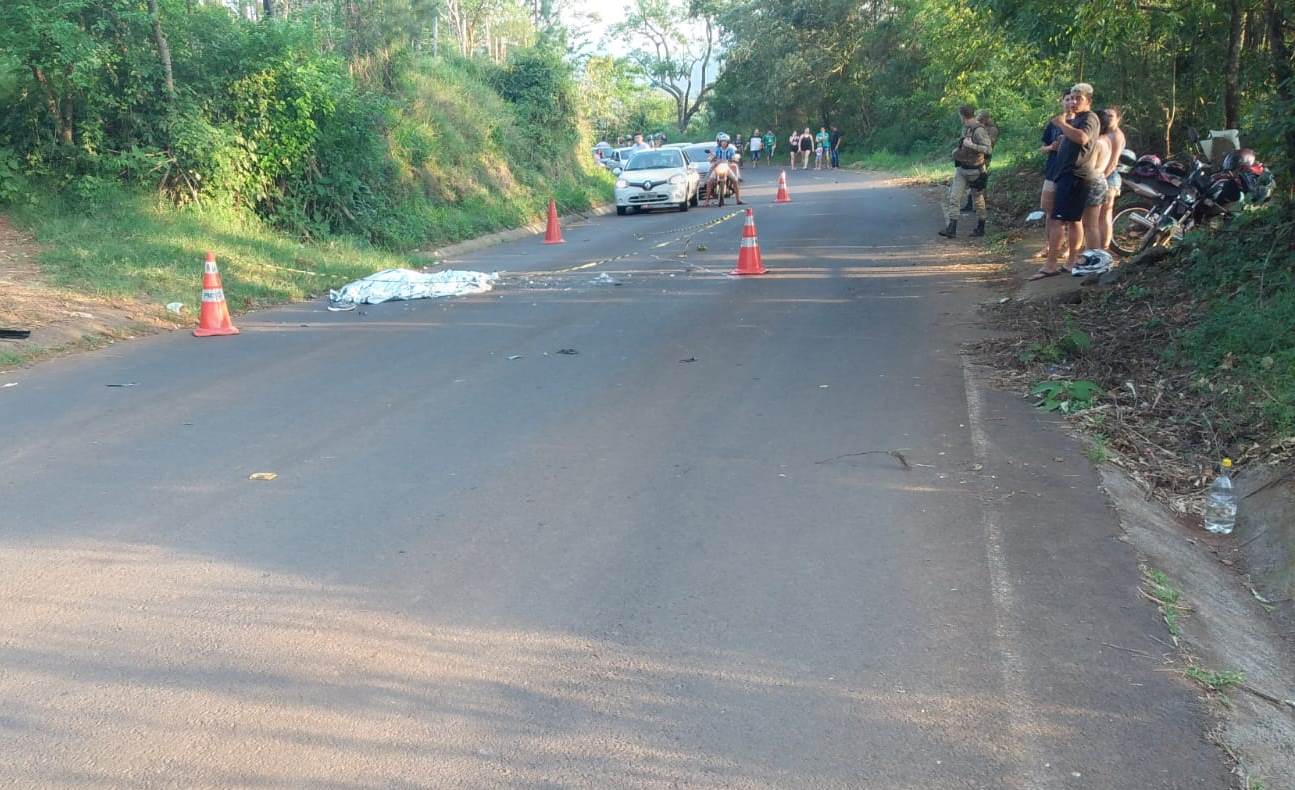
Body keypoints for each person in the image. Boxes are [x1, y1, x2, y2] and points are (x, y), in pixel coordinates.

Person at [1036, 83, 1102, 280]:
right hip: (1065, 174)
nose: (1073, 102)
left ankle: (1051, 264)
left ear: (1088, 100)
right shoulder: (1078, 118)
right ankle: (1070, 260)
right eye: (1071, 98)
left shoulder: (1090, 118)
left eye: (1078, 99)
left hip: (1076, 176)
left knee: (1059, 220)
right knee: (1072, 221)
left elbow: (1082, 138)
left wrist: (1062, 124)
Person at [938, 105, 992, 239]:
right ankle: (952, 228)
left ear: (962, 116)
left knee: (978, 200)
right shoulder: (966, 129)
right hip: (962, 169)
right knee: (954, 198)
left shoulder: (979, 131)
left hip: (976, 170)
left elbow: (988, 149)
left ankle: (981, 227)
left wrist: (971, 146)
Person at [1037, 92, 1076, 259]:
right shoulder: (1054, 123)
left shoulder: (1080, 123)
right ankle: (1048, 246)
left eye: (1072, 99)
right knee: (1048, 210)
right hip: (1052, 172)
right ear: (1062, 102)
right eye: (1066, 100)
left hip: (1071, 173)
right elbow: (1042, 148)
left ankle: (1068, 247)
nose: (1069, 103)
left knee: (1070, 213)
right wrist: (1051, 147)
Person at [1098, 107, 1126, 250]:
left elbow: (1113, 162)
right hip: (1100, 175)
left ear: (1118, 118)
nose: (1108, 118)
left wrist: (1101, 178)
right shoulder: (1104, 132)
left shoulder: (1117, 136)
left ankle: (1104, 248)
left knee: (1105, 214)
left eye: (1111, 115)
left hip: (1109, 178)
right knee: (1097, 216)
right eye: (1106, 115)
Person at [963, 110, 998, 211]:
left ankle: (981, 204)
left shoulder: (992, 129)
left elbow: (990, 143)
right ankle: (972, 203)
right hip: (974, 155)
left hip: (985, 157)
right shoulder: (977, 127)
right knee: (972, 179)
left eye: (979, 119)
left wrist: (980, 135)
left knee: (981, 179)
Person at [706, 133, 744, 204]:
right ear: (720, 142)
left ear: (728, 142)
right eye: (722, 141)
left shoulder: (731, 149)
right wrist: (711, 158)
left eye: (725, 141)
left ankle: (738, 199)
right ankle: (707, 201)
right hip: (718, 167)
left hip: (727, 167)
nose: (724, 142)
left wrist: (734, 159)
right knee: (709, 181)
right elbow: (714, 156)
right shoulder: (717, 149)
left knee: (735, 180)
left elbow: (734, 157)